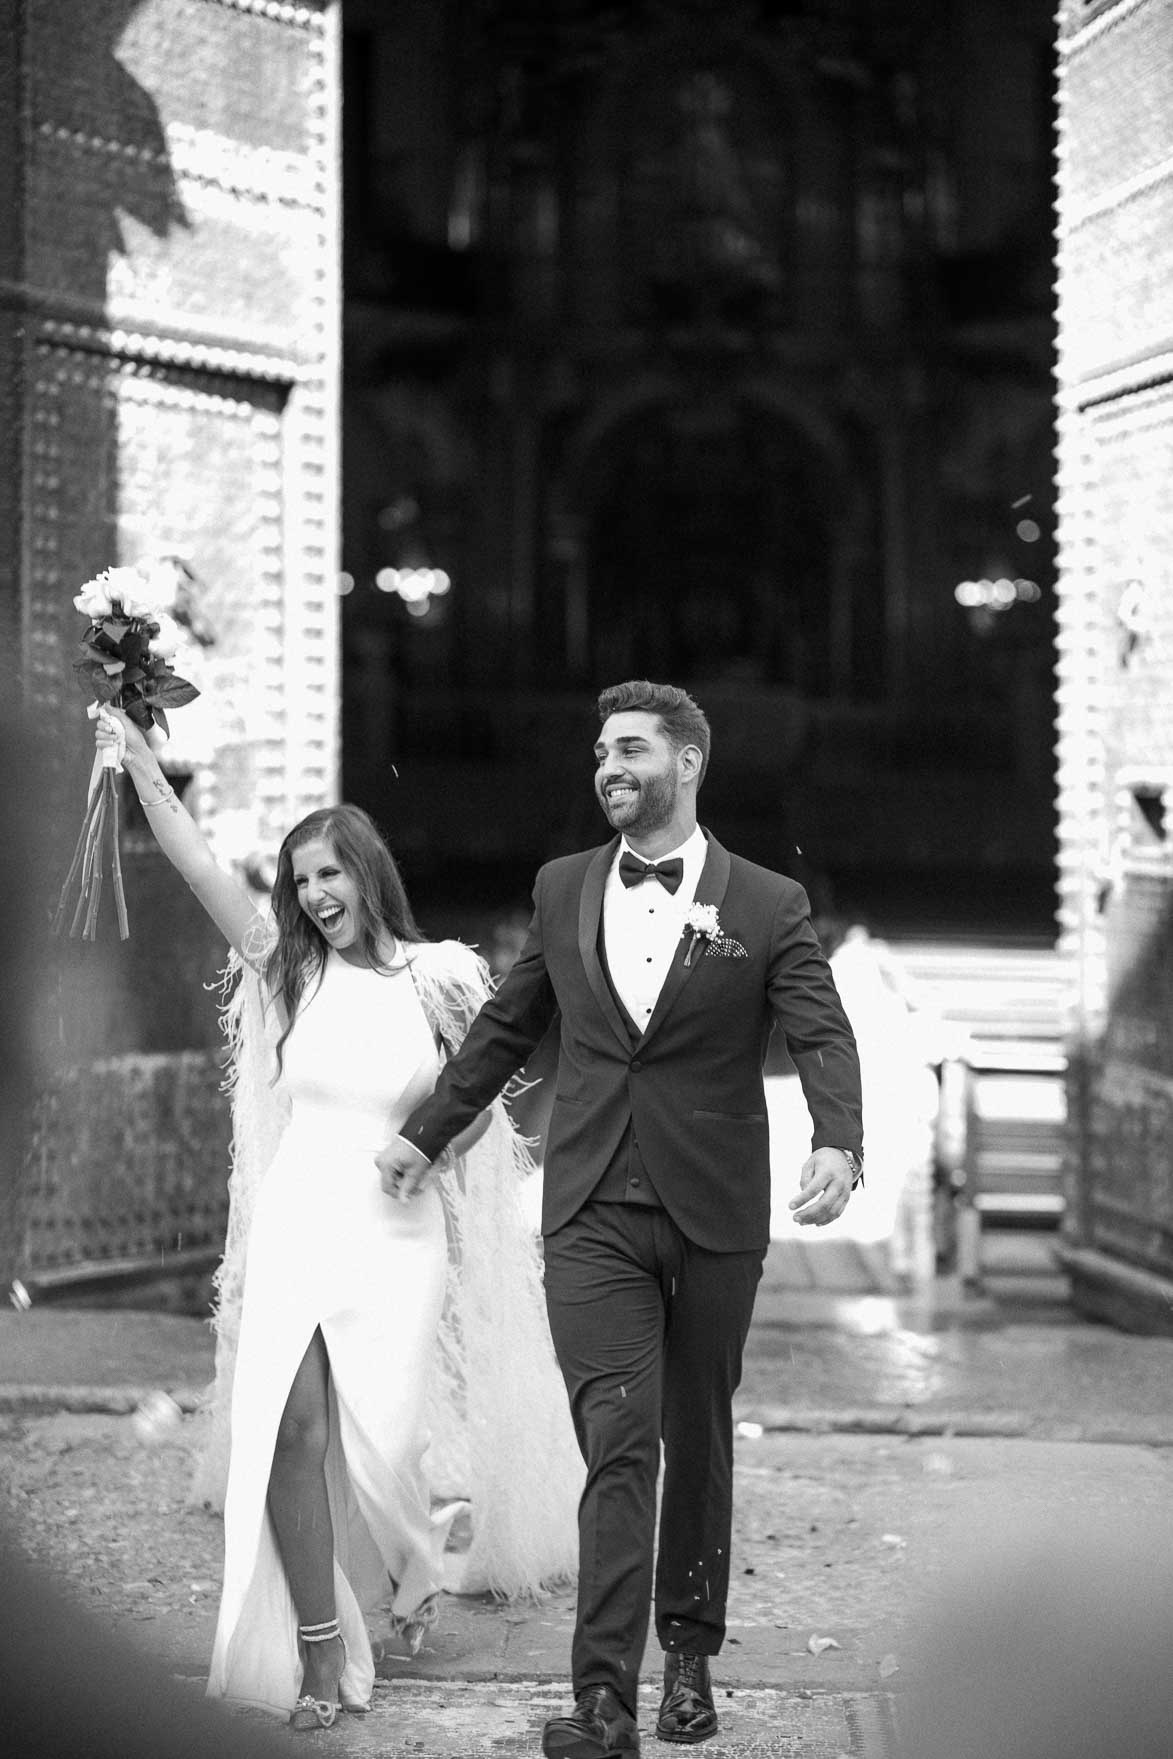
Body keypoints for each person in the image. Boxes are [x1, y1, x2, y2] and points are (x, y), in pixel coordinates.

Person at [378, 679, 864, 1758]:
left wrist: (838, 1140)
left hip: (714, 1214)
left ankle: (688, 1656)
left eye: (633, 749)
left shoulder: (766, 904)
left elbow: (822, 1032)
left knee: (696, 1437)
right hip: (591, 1206)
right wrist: (425, 1133)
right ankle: (602, 1699)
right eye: (601, 751)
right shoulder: (561, 889)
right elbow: (506, 1031)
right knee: (617, 1444)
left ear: (688, 763)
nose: (610, 767)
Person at [93, 705, 579, 1729]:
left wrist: (428, 1151)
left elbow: (481, 1117)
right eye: (302, 878)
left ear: (368, 872)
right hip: (300, 1222)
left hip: (398, 1244)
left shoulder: (438, 978)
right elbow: (195, 865)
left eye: (332, 873)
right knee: (289, 1429)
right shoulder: (287, 965)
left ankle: (421, 1545)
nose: (316, 895)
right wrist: (140, 762)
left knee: (381, 1445)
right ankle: (319, 1650)